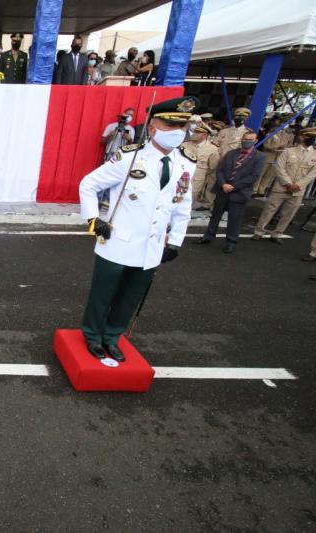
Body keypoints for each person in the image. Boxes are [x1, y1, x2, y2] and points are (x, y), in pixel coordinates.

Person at [79, 96, 198, 361]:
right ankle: (93, 335)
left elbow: (182, 205)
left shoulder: (186, 163)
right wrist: (93, 220)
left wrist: (176, 240)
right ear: (153, 127)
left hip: (152, 245)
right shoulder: (130, 157)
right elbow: (88, 185)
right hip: (118, 240)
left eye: (182, 127)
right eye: (170, 125)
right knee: (103, 294)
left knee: (130, 297)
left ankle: (112, 336)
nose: (177, 132)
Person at [199, 130, 265, 253]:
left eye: (250, 140)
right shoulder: (231, 153)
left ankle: (231, 242)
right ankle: (208, 236)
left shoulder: (259, 157)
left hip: (240, 192)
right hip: (223, 190)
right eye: (245, 139)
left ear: (255, 141)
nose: (246, 142)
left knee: (235, 219)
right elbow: (220, 170)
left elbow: (254, 176)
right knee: (215, 216)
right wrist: (223, 184)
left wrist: (233, 186)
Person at [252, 128, 316, 244]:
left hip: (298, 190)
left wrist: (298, 185)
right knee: (269, 210)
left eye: (313, 137)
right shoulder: (289, 151)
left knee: (288, 214)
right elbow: (279, 167)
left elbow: (313, 174)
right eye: (308, 136)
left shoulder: (314, 155)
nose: (311, 139)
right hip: (282, 187)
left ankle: (277, 233)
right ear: (301, 137)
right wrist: (288, 183)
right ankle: (259, 231)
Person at [181, 123, 220, 211]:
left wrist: (201, 173)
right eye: (194, 131)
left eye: (197, 132)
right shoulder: (184, 145)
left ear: (205, 135)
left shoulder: (212, 149)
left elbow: (212, 167)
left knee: (189, 202)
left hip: (197, 179)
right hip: (182, 177)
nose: (194, 134)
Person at [254, 116, 293, 196]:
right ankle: (254, 190)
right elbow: (265, 145)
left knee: (269, 176)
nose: (285, 125)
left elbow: (289, 146)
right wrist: (276, 148)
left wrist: (285, 148)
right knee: (260, 174)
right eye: (284, 122)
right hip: (267, 156)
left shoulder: (287, 135)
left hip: (278, 158)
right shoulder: (272, 133)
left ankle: (261, 190)